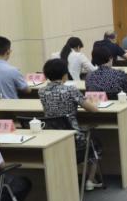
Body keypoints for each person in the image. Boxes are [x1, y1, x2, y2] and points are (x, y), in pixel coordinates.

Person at [39, 59, 102, 190]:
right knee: (95, 144)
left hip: (53, 138)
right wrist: (90, 101)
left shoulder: (42, 91)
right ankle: (90, 181)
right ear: (64, 74)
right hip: (73, 139)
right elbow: (93, 110)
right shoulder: (70, 90)